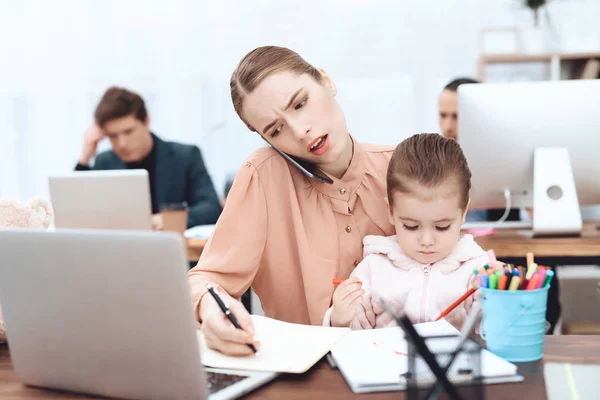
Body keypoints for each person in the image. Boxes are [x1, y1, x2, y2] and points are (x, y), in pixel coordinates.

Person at [187, 46, 396, 355]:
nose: (299, 131)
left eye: (300, 103)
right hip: (306, 378)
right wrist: (207, 307)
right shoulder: (262, 178)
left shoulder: (399, 167)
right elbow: (204, 279)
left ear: (326, 81)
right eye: (277, 129)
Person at [325, 134, 488, 330]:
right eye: (411, 226)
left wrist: (491, 309)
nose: (426, 241)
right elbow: (354, 339)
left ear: (463, 213)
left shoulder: (478, 270)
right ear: (391, 212)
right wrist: (339, 320)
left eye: (442, 227)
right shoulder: (374, 268)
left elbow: (497, 336)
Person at [439, 78, 561, 333]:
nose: (448, 127)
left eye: (456, 117)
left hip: (500, 250)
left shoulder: (508, 153)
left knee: (534, 260)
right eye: (443, 116)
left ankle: (537, 325)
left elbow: (532, 217)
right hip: (456, 256)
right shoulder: (437, 162)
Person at [75, 86, 222, 230]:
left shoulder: (185, 156)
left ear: (146, 121)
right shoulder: (104, 162)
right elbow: (77, 214)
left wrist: (170, 220)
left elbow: (211, 208)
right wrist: (85, 158)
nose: (122, 143)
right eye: (113, 136)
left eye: (128, 132)